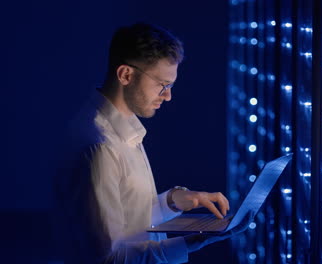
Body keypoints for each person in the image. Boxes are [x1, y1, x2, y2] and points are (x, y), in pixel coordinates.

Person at [53, 22, 251, 264]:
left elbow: (129, 220)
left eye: (170, 86)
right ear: (126, 75)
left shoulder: (121, 129)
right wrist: (196, 240)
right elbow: (108, 259)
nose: (168, 96)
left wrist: (173, 201)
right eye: (162, 85)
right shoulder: (101, 147)